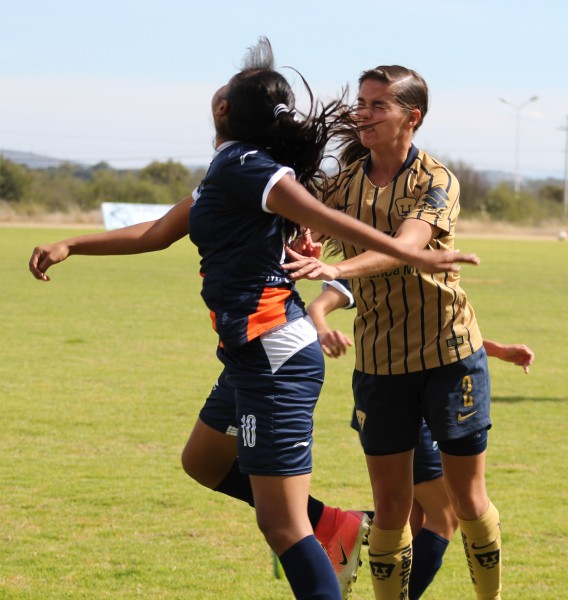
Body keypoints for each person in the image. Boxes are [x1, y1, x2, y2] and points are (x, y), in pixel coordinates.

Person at [28, 39, 477, 600]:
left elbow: (316, 213)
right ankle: (334, 525)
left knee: (283, 526)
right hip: (248, 353)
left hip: (273, 353)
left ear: (224, 110)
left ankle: (328, 538)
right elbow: (157, 233)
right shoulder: (227, 169)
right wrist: (72, 242)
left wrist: (413, 253)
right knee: (203, 460)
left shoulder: (247, 165)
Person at [282, 65, 503, 600]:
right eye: (362, 103)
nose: (364, 114)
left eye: (378, 105)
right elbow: (300, 228)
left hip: (449, 353)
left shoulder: (436, 180)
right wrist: (302, 245)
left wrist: (336, 269)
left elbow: (405, 245)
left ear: (413, 117)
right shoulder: (344, 183)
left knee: (467, 501)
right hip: (380, 363)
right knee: (390, 509)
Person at [306, 278, 534, 599]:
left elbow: (433, 331)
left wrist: (495, 350)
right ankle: (343, 528)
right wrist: (322, 330)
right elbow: (317, 306)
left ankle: (348, 528)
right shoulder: (364, 263)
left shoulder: (421, 265)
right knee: (442, 516)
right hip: (395, 395)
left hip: (431, 390)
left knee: (411, 519)